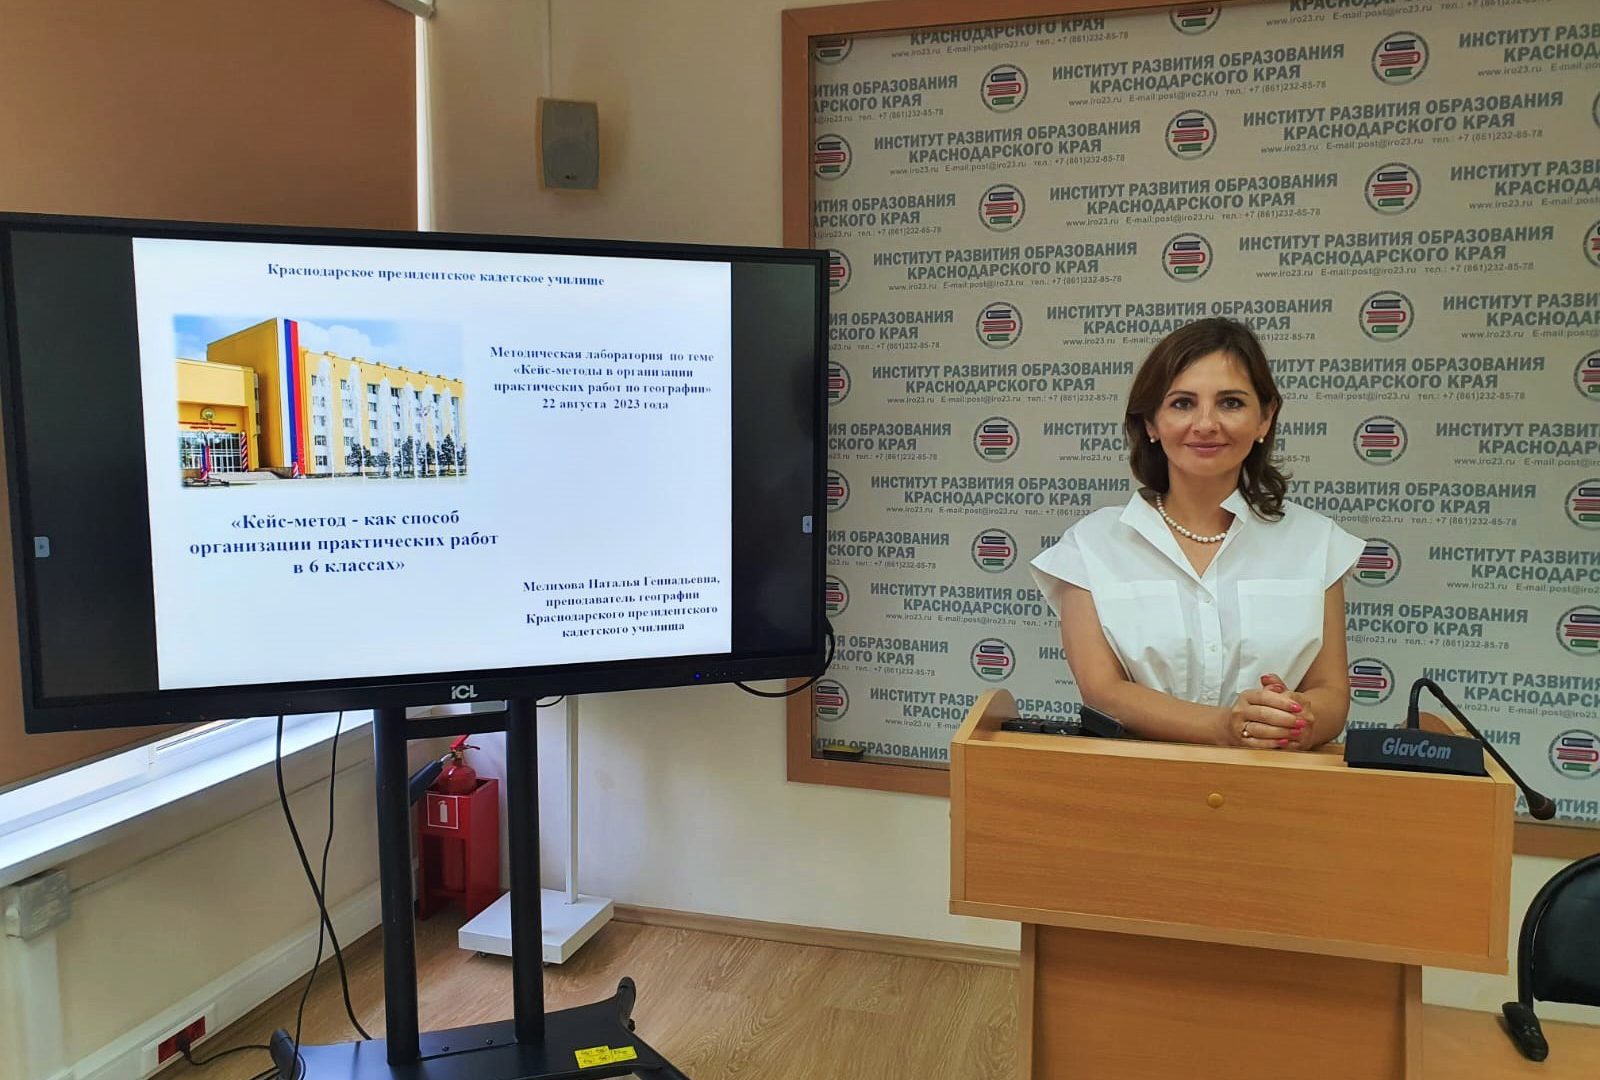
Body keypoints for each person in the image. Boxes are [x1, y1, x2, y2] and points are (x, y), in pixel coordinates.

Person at [1030, 317, 1364, 750]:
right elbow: (1103, 692)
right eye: (1182, 403)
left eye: (1231, 403)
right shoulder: (1091, 545)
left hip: (1277, 781)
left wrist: (1290, 718)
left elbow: (1331, 693)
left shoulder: (1318, 542)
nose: (1205, 424)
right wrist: (1225, 727)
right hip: (1135, 783)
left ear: (1265, 418)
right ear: (1151, 423)